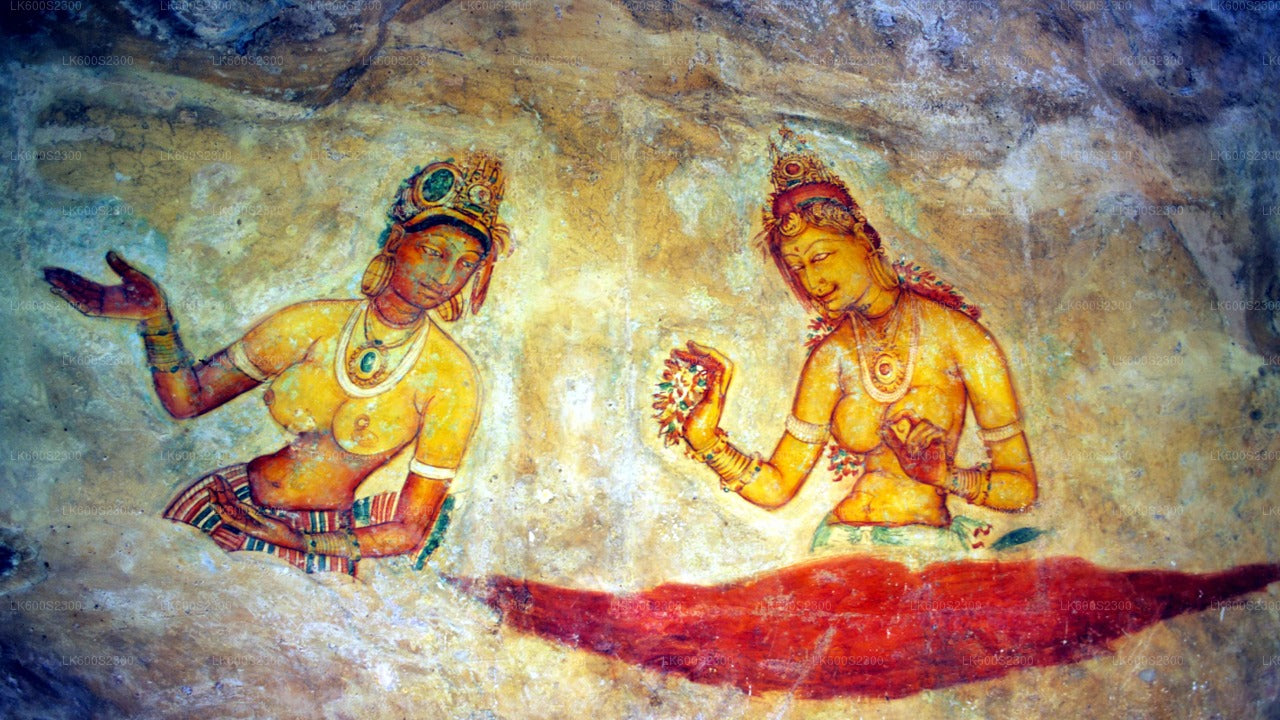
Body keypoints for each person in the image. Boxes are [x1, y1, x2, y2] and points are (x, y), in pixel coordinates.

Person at [43, 151, 510, 576]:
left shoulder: (451, 377)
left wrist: (301, 541)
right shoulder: (311, 322)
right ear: (395, 242)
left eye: (466, 264)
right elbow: (189, 400)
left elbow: (409, 530)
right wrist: (156, 321)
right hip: (219, 506)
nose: (445, 276)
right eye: (433, 253)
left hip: (314, 547)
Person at [671, 129, 1037, 554]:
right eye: (797, 267)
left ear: (863, 241)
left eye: (820, 257)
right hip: (836, 546)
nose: (812, 281)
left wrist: (945, 478)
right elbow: (778, 487)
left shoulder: (961, 339)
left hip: (923, 552)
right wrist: (706, 439)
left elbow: (1023, 489)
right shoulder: (831, 357)